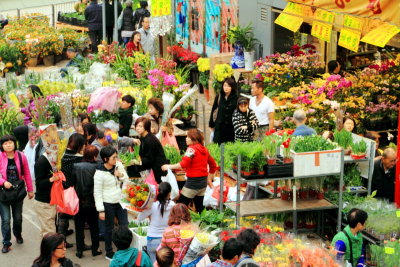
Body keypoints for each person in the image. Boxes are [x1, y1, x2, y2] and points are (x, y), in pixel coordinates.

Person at [162, 129, 216, 213]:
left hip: (193, 183)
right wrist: (209, 178)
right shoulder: (204, 149)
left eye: (188, 137)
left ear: (193, 139)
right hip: (202, 183)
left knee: (180, 207)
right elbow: (213, 165)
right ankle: (203, 224)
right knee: (199, 207)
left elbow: (183, 164)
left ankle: (177, 224)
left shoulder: (191, 149)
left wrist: (168, 166)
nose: (186, 139)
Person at [93, 146, 129, 260]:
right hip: (107, 203)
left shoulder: (118, 166)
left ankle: (122, 250)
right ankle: (109, 251)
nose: (116, 159)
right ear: (105, 159)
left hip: (120, 201)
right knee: (109, 229)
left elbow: (126, 179)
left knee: (124, 225)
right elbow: (97, 192)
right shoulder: (99, 173)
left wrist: (121, 175)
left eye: (116, 156)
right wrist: (101, 210)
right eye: (113, 157)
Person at [0, 135, 34, 253]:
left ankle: (18, 234)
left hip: (18, 191)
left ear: (14, 144)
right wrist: (3, 182)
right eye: (5, 143)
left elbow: (27, 173)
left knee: (18, 217)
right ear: (2, 146)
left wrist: (30, 189)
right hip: (3, 193)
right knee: (5, 219)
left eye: (10, 142)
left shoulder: (21, 156)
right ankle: (6, 242)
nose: (8, 145)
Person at [71, 145, 102, 258]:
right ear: (94, 156)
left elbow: (72, 182)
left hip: (78, 201)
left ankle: (79, 250)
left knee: (79, 227)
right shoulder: (98, 167)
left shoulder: (76, 166)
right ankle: (95, 249)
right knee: (94, 226)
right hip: (92, 202)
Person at [58, 133, 86, 248]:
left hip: (62, 188)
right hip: (74, 190)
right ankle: (80, 243)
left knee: (62, 215)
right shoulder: (79, 158)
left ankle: (61, 241)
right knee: (78, 217)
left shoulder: (61, 156)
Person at [138, 182, 175, 264]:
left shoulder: (152, 206)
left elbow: (139, 218)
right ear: (169, 193)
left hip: (153, 240)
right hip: (167, 240)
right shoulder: (173, 205)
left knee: (154, 264)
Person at [129, 117, 167, 183]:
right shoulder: (143, 137)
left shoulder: (150, 140)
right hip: (152, 168)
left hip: (157, 169)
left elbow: (149, 159)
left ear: (146, 127)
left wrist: (136, 161)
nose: (137, 128)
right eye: (136, 126)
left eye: (140, 126)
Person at [209, 77, 239, 144]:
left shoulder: (236, 98)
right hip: (220, 126)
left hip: (231, 127)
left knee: (230, 145)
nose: (226, 88)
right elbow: (214, 109)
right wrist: (211, 124)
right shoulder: (219, 96)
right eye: (225, 85)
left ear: (232, 87)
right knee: (219, 145)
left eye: (228, 86)